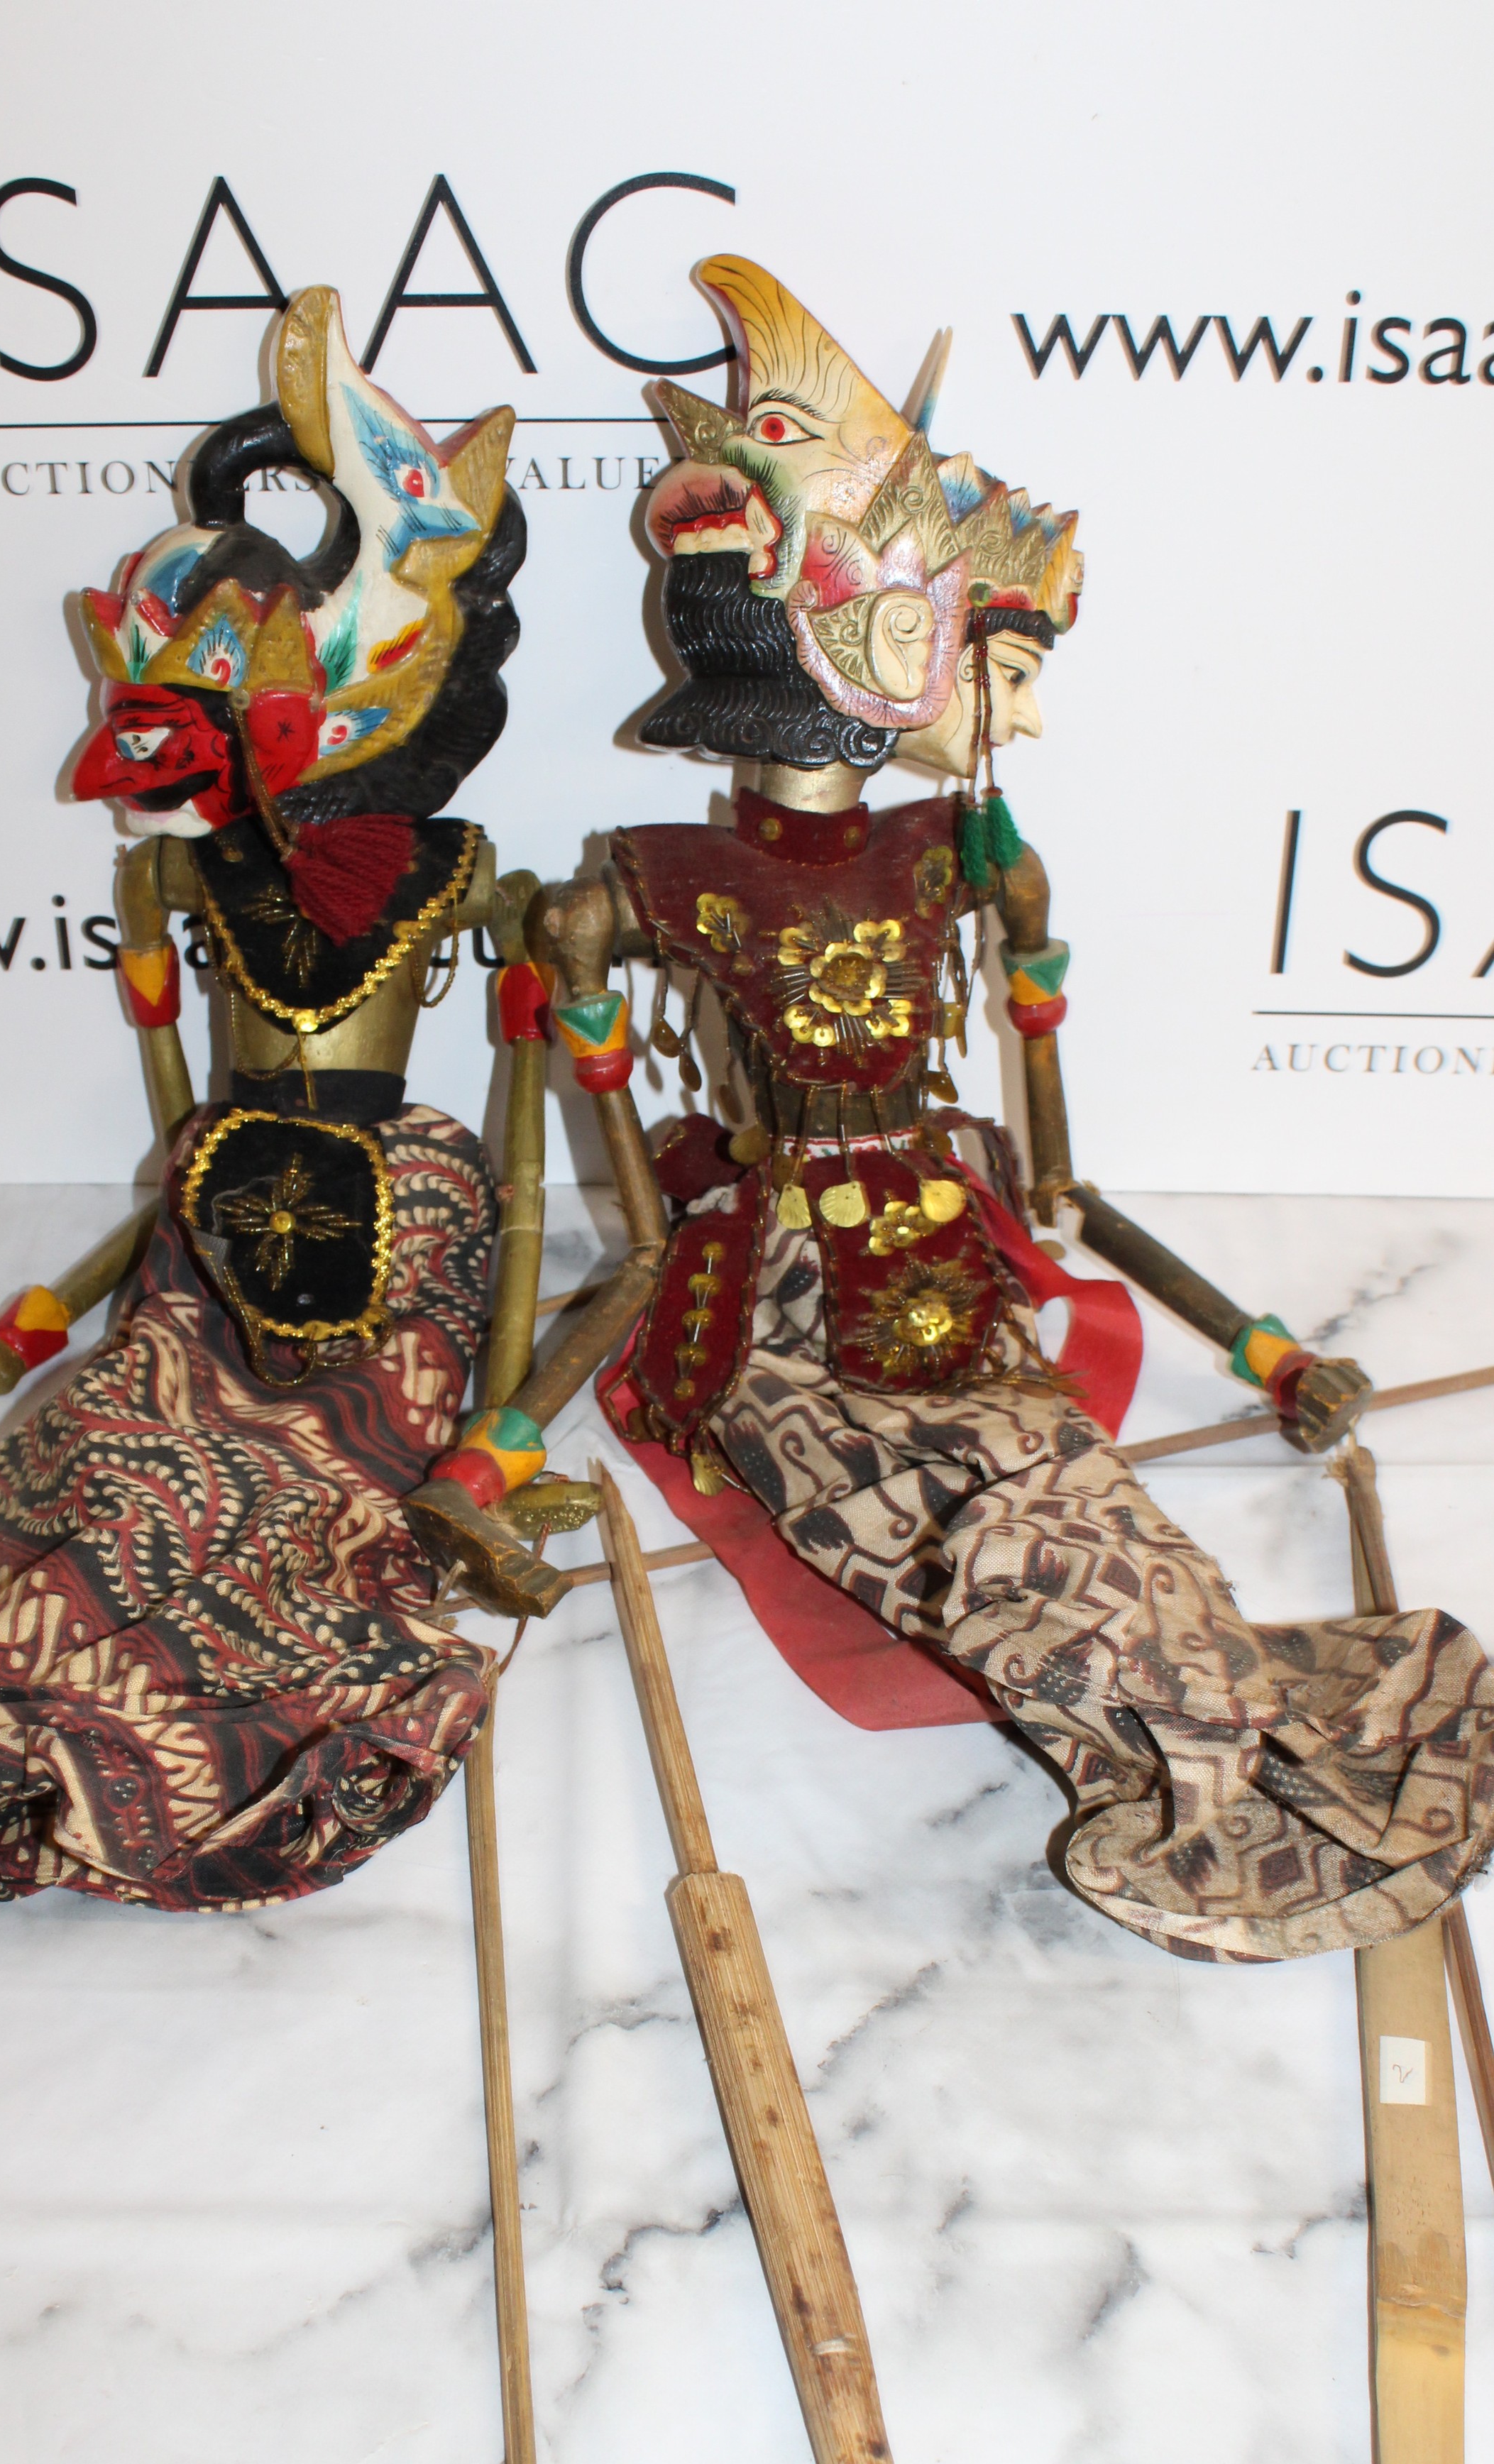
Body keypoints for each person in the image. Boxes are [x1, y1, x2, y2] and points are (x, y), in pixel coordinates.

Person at [414, 255, 1494, 1965]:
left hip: (954, 1267)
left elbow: (1057, 1187)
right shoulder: (629, 891)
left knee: (1076, 1506)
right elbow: (636, 1249)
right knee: (981, 1544)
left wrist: (1264, 1344)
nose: (1005, 693)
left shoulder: (966, 854)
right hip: (769, 1307)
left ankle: (1232, 1740)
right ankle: (1188, 1777)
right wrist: (498, 1441)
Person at [0, 289, 529, 1912]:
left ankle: (215, 1755)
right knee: (101, 1452)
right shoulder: (183, 875)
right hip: (207, 1245)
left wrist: (500, 1434)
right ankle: (28, 1726)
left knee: (317, 1511)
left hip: (398, 1235)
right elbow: (174, 1159)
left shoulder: (459, 876)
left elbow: (515, 1191)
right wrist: (39, 1324)